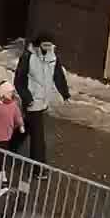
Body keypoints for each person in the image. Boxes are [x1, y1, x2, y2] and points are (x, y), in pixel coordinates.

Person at [13, 34, 70, 166]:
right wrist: (27, 98)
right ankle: (38, 167)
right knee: (38, 137)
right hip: (31, 102)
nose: (48, 48)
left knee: (26, 127)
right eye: (45, 45)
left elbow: (58, 75)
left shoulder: (53, 57)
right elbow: (19, 80)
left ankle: (3, 149)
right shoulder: (28, 57)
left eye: (50, 45)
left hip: (43, 101)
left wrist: (65, 93)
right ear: (38, 44)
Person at [0, 80, 25, 184]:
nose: (12, 94)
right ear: (3, 94)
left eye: (12, 92)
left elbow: (18, 115)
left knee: (2, 155)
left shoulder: (13, 105)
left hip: (8, 135)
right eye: (10, 93)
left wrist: (21, 124)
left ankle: (0, 171)